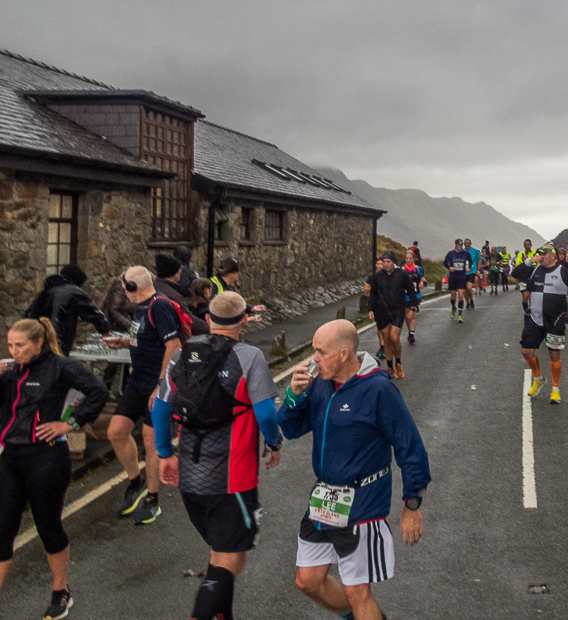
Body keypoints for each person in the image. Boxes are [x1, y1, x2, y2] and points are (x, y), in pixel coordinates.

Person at [280, 320, 430, 620]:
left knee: (356, 591)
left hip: (363, 502)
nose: (313, 360)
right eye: (313, 351)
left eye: (320, 352)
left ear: (345, 353)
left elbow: (409, 445)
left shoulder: (378, 390)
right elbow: (291, 429)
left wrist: (412, 503)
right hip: (324, 498)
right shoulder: (320, 384)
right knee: (307, 581)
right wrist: (293, 397)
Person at [152, 292, 283, 620]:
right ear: (243, 321)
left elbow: (160, 409)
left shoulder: (182, 353)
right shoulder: (249, 357)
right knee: (230, 561)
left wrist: (166, 454)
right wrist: (275, 443)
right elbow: (266, 414)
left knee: (219, 555)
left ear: (208, 319)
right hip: (232, 480)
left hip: (190, 477)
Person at [0, 317, 108, 620]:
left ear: (38, 344)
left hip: (46, 457)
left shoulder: (59, 367)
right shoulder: (9, 372)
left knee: (47, 527)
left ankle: (61, 591)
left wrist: (70, 423)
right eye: (10, 345)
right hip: (9, 458)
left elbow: (97, 391)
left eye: (20, 345)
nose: (14, 350)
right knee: (1, 532)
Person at [104, 265, 183, 526]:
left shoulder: (160, 305)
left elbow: (173, 345)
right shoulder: (141, 307)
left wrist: (161, 385)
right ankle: (135, 481)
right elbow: (147, 338)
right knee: (116, 432)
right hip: (137, 382)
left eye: (125, 286)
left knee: (151, 440)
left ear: (132, 287)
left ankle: (152, 498)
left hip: (155, 384)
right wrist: (124, 342)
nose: (123, 291)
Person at [511, 245, 568, 404]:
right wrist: (529, 261)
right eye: (539, 254)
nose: (541, 257)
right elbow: (515, 274)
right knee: (526, 351)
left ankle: (555, 389)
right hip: (535, 318)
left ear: (553, 256)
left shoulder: (563, 272)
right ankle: (538, 377)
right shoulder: (533, 269)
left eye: (544, 254)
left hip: (556, 319)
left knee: (554, 355)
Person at [24, 264, 111, 356]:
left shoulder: (48, 291)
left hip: (37, 337)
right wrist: (106, 331)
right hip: (57, 339)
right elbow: (93, 313)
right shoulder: (73, 291)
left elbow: (30, 313)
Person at [367, 251, 417, 378]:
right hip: (382, 311)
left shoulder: (402, 274)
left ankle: (398, 363)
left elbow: (411, 290)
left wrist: (412, 307)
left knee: (394, 338)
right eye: (384, 262)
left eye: (388, 262)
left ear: (393, 262)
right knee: (387, 339)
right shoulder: (377, 277)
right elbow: (373, 294)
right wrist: (371, 309)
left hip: (398, 310)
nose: (386, 264)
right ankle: (389, 367)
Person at [154, 253, 209, 336]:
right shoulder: (173, 295)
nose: (181, 271)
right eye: (179, 269)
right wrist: (212, 328)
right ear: (175, 273)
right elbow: (189, 320)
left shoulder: (154, 286)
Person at [443, 238, 473, 322]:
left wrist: (468, 267)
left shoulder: (465, 254)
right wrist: (450, 267)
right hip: (453, 277)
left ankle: (460, 315)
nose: (460, 246)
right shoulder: (450, 254)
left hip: (462, 277)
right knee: (453, 296)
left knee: (460, 295)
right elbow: (445, 263)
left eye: (461, 245)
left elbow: (470, 261)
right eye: (459, 245)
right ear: (455, 245)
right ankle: (453, 308)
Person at [402, 250, 425, 344]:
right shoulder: (402, 269)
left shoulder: (418, 269)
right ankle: (410, 330)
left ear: (413, 259)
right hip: (405, 295)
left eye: (410, 258)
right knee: (406, 316)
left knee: (412, 315)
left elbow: (422, 277)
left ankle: (412, 335)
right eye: (407, 258)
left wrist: (422, 282)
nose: (408, 260)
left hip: (415, 295)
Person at [464, 238, 481, 309]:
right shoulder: (462, 251)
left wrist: (478, 269)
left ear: (470, 244)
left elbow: (479, 259)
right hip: (463, 272)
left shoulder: (475, 251)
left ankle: (471, 300)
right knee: (465, 289)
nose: (467, 245)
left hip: (472, 271)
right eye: (466, 243)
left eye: (468, 243)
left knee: (469, 287)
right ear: (464, 244)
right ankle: (467, 302)